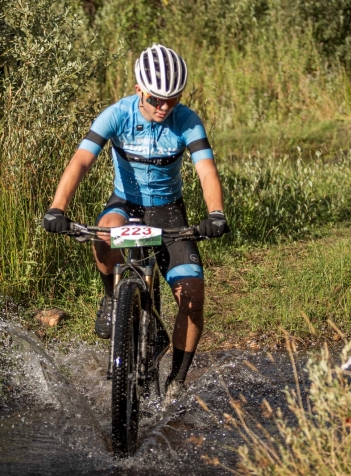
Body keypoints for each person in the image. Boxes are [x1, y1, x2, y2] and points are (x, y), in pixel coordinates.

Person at [42, 44, 229, 402]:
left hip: (168, 211)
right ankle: (113, 298)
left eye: (171, 100)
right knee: (104, 234)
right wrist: (57, 208)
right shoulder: (116, 114)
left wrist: (215, 213)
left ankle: (176, 381)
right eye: (157, 99)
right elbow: (81, 160)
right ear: (140, 89)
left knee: (192, 295)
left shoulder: (187, 120)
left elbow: (205, 170)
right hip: (125, 205)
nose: (164, 107)